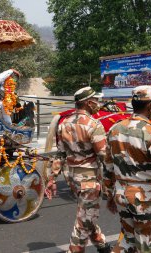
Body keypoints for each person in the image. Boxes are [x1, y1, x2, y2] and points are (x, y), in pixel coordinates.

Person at [50, 87, 111, 253]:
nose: (98, 104)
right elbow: (104, 156)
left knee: (86, 214)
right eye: (96, 101)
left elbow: (60, 154)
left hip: (72, 178)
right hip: (89, 180)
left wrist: (52, 178)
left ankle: (102, 244)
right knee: (84, 221)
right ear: (89, 103)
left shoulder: (64, 124)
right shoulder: (94, 125)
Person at [104, 85, 151, 252]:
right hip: (144, 198)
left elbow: (108, 165)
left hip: (121, 194)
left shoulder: (115, 129)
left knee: (128, 240)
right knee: (148, 243)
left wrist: (109, 194)